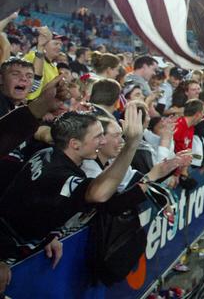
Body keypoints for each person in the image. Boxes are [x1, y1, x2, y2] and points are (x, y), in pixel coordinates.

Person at [0, 105, 144, 262]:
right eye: (98, 136)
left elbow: (34, 210)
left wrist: (49, 237)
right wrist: (131, 145)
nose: (103, 141)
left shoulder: (47, 153)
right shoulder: (59, 175)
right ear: (75, 144)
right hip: (7, 254)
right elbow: (99, 194)